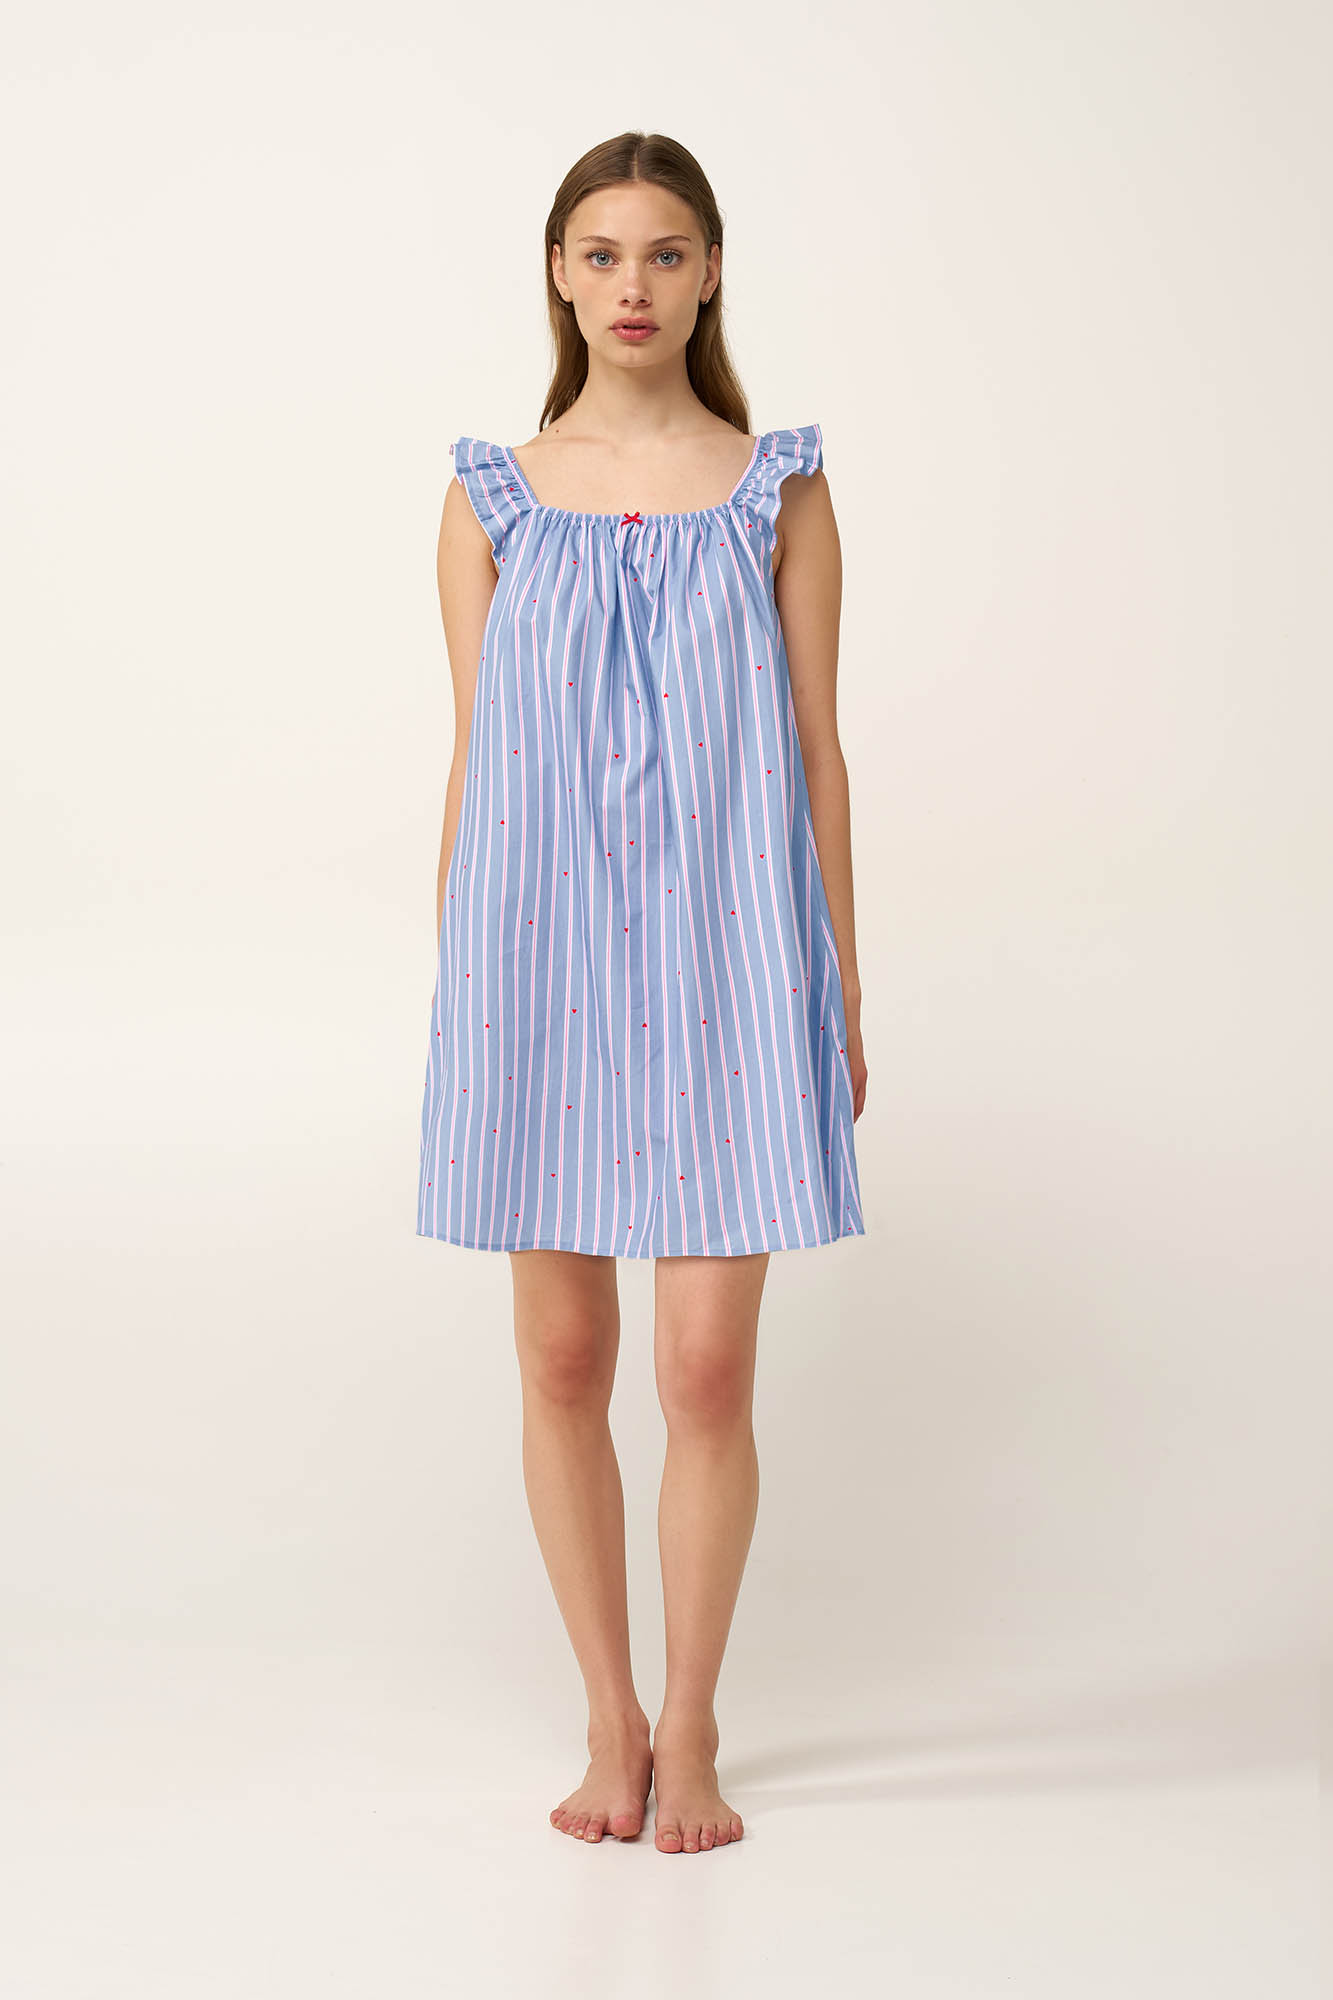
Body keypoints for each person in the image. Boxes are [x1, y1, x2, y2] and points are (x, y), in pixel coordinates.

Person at [416, 131, 868, 1854]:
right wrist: (457, 983)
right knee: (561, 1352)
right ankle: (606, 1717)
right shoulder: (490, 496)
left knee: (700, 1372)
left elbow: (817, 753)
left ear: (710, 275)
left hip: (729, 957)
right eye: (601, 254)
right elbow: (480, 756)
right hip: (532, 959)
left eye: (664, 254)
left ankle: (693, 1723)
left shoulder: (776, 489)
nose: (631, 285)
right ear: (557, 272)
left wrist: (838, 983)